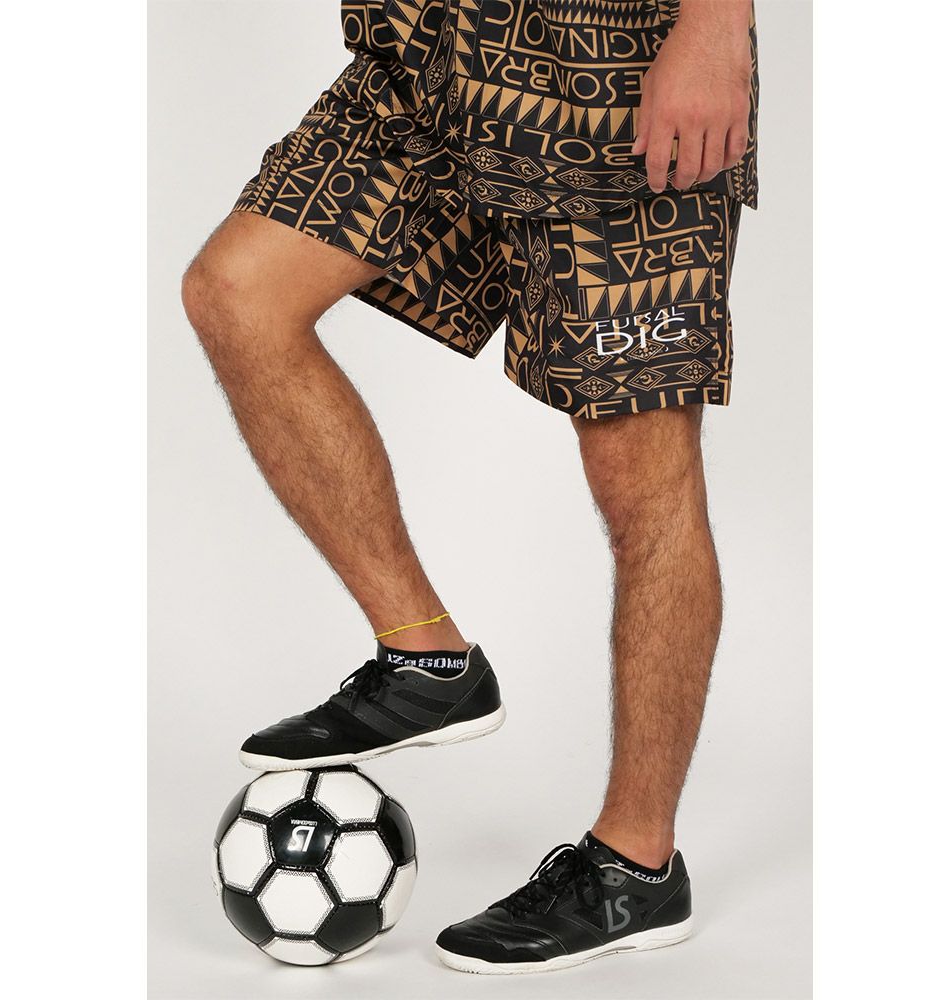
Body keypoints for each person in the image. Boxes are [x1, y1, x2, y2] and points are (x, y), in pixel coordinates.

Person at [182, 0, 758, 975]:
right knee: (239, 292)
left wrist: (713, 28)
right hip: (436, 41)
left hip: (607, 63)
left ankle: (635, 865)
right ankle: (428, 660)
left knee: (642, 480)